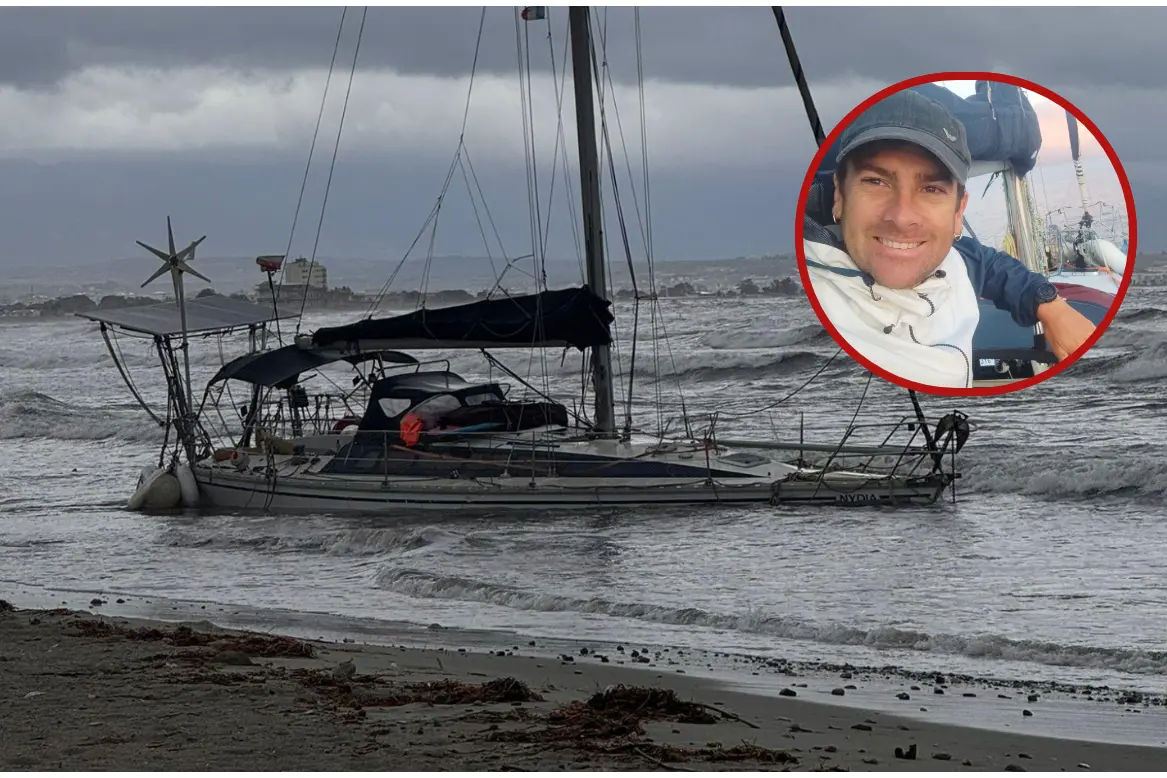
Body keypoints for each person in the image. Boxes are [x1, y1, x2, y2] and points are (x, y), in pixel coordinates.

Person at [802, 88, 1099, 388]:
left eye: (931, 189)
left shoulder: (954, 260)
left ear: (959, 212)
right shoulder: (816, 290)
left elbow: (991, 265)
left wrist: (1050, 305)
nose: (903, 217)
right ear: (839, 195)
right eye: (876, 182)